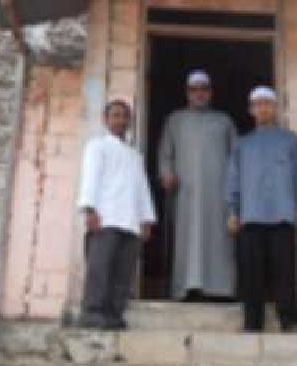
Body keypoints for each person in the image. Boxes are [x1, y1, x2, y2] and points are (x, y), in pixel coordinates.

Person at [226, 86, 297, 333]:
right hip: (250, 216)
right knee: (251, 275)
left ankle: (290, 321)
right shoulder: (243, 144)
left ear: (275, 108)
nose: (263, 108)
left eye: (267, 103)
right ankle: (253, 324)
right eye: (258, 104)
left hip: (283, 215)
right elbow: (233, 179)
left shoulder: (290, 140)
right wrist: (233, 211)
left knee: (285, 273)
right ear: (251, 110)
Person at [158, 70, 238, 300]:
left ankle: (220, 289)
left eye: (204, 89)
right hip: (186, 194)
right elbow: (165, 154)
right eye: (195, 89)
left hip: (219, 195)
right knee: (187, 241)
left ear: (211, 93)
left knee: (220, 240)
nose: (199, 93)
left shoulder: (224, 121)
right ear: (187, 93)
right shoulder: (175, 120)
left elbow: (237, 158)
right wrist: (166, 174)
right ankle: (187, 287)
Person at [77, 99, 156, 330]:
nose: (120, 120)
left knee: (123, 273)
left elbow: (142, 188)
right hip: (106, 218)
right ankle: (92, 313)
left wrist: (146, 219)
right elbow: (90, 178)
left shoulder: (135, 156)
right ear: (106, 119)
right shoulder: (97, 146)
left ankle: (113, 315)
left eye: (124, 116)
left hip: (130, 221)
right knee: (99, 269)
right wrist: (90, 209)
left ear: (130, 121)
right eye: (115, 115)